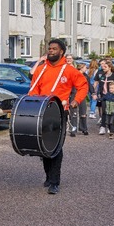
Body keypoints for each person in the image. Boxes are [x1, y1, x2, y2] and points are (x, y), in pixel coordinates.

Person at [28, 39, 88, 194]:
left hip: (60, 112)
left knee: (56, 147)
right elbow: (34, 89)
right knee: (43, 146)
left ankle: (55, 182)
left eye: (54, 49)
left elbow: (83, 85)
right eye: (49, 48)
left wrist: (76, 101)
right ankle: (48, 176)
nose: (51, 51)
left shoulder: (69, 70)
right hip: (41, 112)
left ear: (62, 52)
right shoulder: (41, 69)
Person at [94, 60, 114, 135]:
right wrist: (96, 92)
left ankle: (110, 126)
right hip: (103, 96)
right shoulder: (102, 75)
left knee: (111, 112)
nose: (103, 68)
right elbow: (98, 84)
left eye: (105, 67)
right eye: (103, 66)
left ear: (110, 67)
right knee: (104, 111)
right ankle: (102, 127)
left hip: (112, 97)